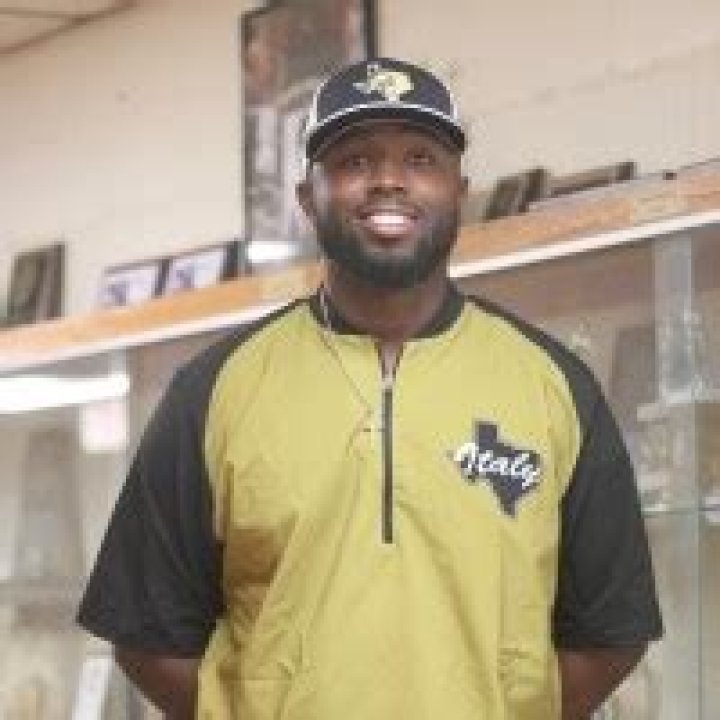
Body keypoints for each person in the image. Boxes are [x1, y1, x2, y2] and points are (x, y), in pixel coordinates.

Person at [78, 57, 663, 719]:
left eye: (420, 159)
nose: (388, 180)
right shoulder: (215, 390)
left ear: (459, 191)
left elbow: (611, 631)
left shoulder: (553, 385)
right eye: (354, 161)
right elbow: (147, 632)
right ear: (308, 198)